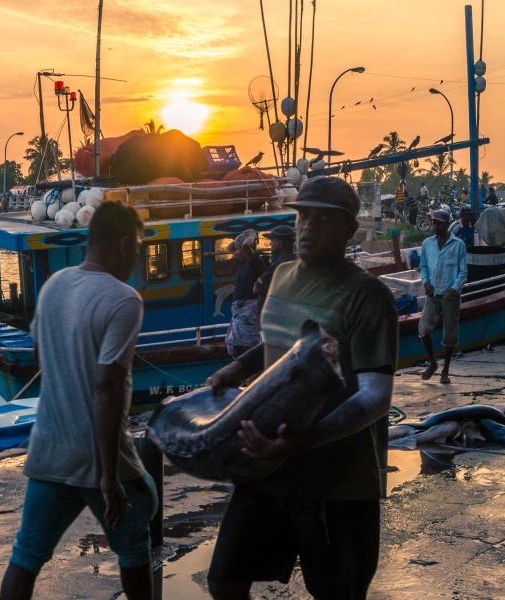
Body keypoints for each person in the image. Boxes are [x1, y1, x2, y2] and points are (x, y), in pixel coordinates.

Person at [202, 177, 397, 600]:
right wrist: (237, 366)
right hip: (267, 468)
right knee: (225, 580)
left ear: (348, 229)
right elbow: (281, 344)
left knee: (337, 592)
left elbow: (376, 395)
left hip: (338, 480)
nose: (308, 226)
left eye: (323, 219)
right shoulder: (282, 276)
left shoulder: (368, 296)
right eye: (303, 215)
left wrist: (307, 440)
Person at [0, 202, 156, 600]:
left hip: (50, 451)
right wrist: (107, 477)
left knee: (26, 556)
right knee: (135, 547)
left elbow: (40, 358)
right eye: (138, 247)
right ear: (123, 245)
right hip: (101, 457)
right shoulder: (124, 300)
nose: (138, 257)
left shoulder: (55, 284)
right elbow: (107, 386)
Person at [418, 209, 468, 384]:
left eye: (439, 223)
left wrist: (454, 289)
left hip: (450, 296)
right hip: (433, 293)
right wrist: (425, 282)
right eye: (434, 223)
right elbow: (423, 265)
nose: (436, 226)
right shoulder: (427, 244)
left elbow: (463, 272)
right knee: (423, 329)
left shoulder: (458, 245)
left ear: (447, 224)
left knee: (450, 334)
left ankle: (445, 369)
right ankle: (432, 362)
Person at [224, 231, 268, 358]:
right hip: (239, 313)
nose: (236, 253)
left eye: (239, 250)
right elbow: (230, 247)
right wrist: (243, 235)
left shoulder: (256, 262)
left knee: (249, 347)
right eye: (237, 250)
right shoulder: (243, 262)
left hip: (248, 313)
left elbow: (246, 247)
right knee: (234, 347)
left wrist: (252, 236)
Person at [254, 225, 297, 302]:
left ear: (280, 244)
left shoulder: (278, 265)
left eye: (272, 240)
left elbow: (256, 289)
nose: (270, 244)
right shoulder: (298, 260)